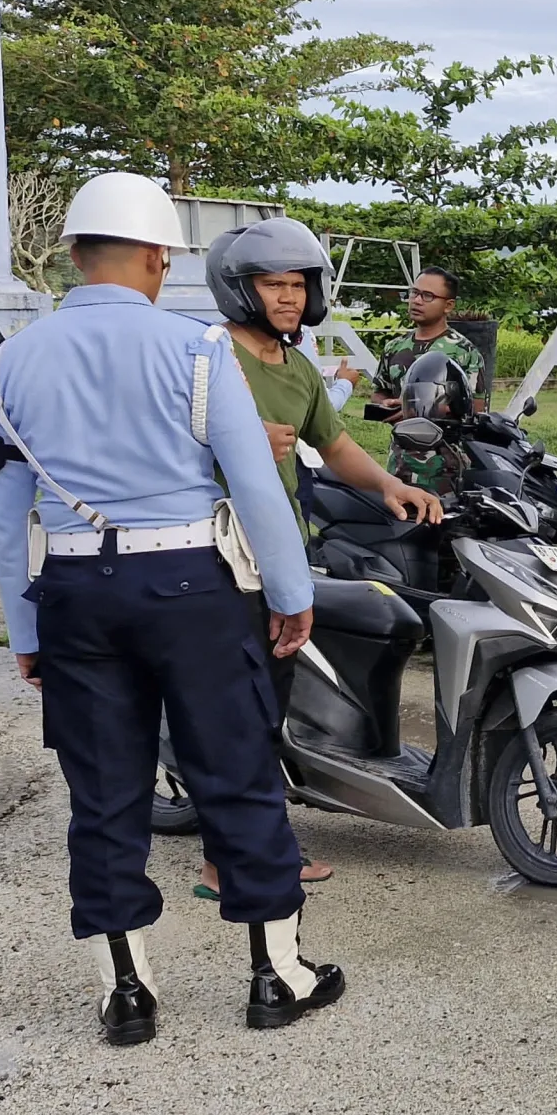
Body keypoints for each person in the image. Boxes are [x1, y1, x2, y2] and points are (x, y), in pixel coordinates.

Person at [0, 172, 344, 1045]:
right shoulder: (197, 351)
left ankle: (126, 994)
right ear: (156, 257)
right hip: (191, 585)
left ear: (71, 254)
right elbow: (254, 486)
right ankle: (277, 975)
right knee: (236, 773)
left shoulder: (7, 362)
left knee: (103, 794)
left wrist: (26, 631)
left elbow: (2, 515)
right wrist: (291, 597)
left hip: (71, 590)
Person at [196, 216, 445, 899]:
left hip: (276, 551)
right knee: (239, 709)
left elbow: (334, 446)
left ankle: (260, 839)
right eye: (273, 284)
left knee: (271, 702)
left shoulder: (297, 365)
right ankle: (229, 859)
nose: (287, 297)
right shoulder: (208, 357)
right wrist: (233, 439)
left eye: (298, 285)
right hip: (215, 550)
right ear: (240, 288)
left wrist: (392, 485)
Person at [371, 266, 484, 416]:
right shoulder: (394, 347)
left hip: (447, 438)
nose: (417, 301)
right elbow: (379, 392)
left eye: (428, 296)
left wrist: (422, 409)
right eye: (414, 293)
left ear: (448, 305)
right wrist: (386, 404)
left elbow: (476, 409)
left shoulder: (465, 352)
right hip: (402, 437)